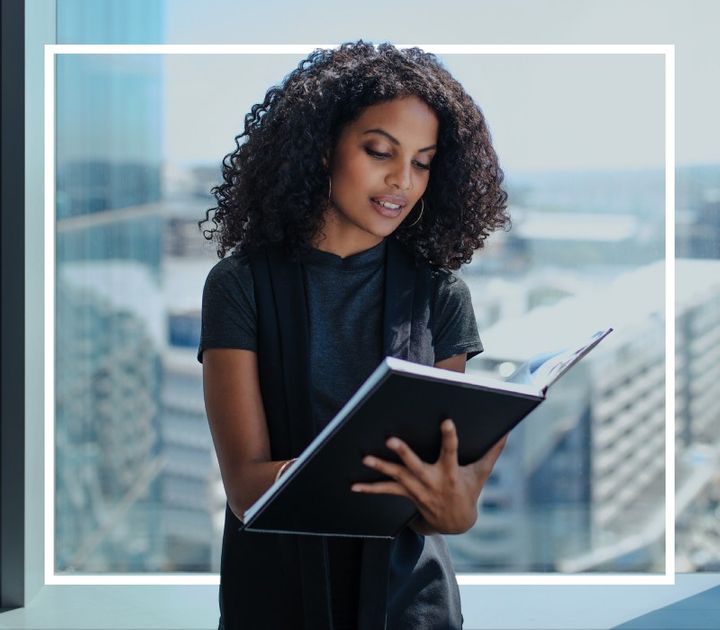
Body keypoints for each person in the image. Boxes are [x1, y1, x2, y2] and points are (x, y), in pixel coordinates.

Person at [197, 40, 511, 630]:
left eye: (422, 162)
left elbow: (440, 501)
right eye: (379, 151)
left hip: (413, 610)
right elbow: (247, 490)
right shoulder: (239, 285)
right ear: (321, 149)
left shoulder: (441, 297)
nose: (402, 180)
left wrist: (456, 508)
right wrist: (403, 485)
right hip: (273, 606)